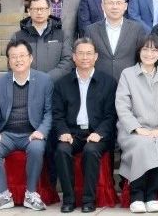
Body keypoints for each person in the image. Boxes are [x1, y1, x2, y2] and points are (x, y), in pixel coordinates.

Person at [0, 39, 54, 212]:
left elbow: (49, 112)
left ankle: (31, 194)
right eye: (13, 56)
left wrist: (41, 131)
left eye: (22, 55)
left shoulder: (45, 80)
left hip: (32, 133)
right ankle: (2, 195)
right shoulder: (0, 82)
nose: (18, 60)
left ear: (31, 58)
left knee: (37, 148)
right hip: (8, 134)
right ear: (8, 61)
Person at [52, 37, 117, 213]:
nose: (85, 57)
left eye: (89, 53)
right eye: (80, 53)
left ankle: (89, 200)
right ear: (74, 56)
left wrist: (100, 133)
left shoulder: (108, 83)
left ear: (96, 56)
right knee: (62, 150)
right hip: (72, 133)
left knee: (91, 150)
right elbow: (57, 114)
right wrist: (63, 132)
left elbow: (111, 115)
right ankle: (69, 199)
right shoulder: (62, 84)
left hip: (97, 134)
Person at [116, 36, 158, 213]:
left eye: (154, 50)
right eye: (145, 49)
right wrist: (137, 128)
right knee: (142, 145)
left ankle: (152, 195)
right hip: (132, 130)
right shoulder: (128, 74)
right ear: (138, 51)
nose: (149, 54)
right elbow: (122, 106)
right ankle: (136, 195)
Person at [84, 0, 147, 79]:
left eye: (118, 3)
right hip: (99, 82)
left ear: (125, 6)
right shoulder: (91, 30)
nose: (115, 7)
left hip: (129, 82)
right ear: (102, 6)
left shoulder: (137, 29)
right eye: (110, 3)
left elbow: (142, 58)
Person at [11, 0, 73, 80]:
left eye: (43, 9)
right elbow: (13, 62)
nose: (39, 12)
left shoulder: (62, 35)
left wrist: (47, 79)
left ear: (49, 11)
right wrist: (31, 79)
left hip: (55, 85)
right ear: (29, 11)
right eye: (35, 9)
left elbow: (67, 61)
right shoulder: (18, 37)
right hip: (28, 85)